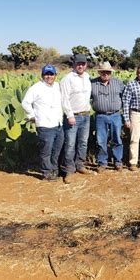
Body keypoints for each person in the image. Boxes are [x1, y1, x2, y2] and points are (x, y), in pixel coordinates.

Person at [21, 64, 64, 181]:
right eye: (46, 74)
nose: (49, 76)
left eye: (51, 74)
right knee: (46, 151)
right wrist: (32, 116)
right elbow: (25, 103)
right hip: (45, 125)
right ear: (42, 75)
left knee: (56, 149)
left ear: (55, 75)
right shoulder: (36, 88)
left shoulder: (57, 86)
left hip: (58, 124)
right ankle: (46, 173)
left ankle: (54, 170)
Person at [60, 54, 92, 184]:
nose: (80, 66)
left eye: (83, 64)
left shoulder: (87, 77)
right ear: (74, 64)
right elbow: (64, 98)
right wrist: (70, 115)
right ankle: (69, 170)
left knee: (83, 142)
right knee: (70, 144)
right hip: (73, 116)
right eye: (78, 64)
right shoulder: (67, 79)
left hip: (86, 115)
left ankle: (80, 165)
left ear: (86, 65)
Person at [90, 62, 125, 173]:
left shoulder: (118, 83)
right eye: (103, 72)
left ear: (111, 73)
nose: (105, 74)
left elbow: (125, 97)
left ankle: (118, 162)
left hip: (115, 115)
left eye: (108, 72)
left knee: (117, 139)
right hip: (100, 116)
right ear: (99, 72)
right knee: (101, 140)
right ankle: (102, 163)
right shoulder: (92, 83)